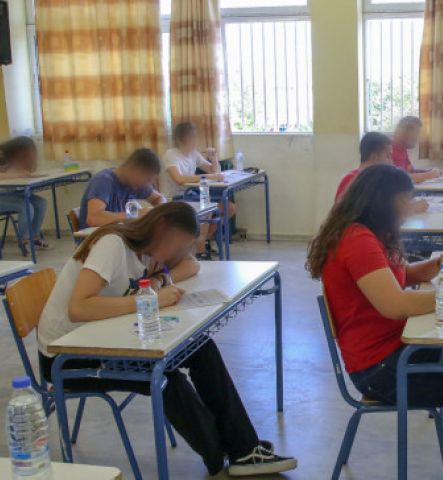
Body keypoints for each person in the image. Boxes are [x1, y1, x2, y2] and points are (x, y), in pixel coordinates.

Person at [37, 202, 297, 477]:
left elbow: (192, 265)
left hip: (100, 339)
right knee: (163, 375)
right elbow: (78, 308)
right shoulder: (113, 244)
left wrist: (160, 279)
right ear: (162, 229)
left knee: (202, 348)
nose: (180, 254)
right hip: (66, 356)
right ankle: (218, 453)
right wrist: (148, 301)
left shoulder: (147, 249)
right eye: (180, 245)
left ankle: (243, 449)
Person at [307, 164, 443, 480]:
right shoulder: (357, 241)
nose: (410, 207)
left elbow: (394, 276)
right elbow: (395, 304)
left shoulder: (363, 233)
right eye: (405, 200)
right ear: (384, 201)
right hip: (382, 370)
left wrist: (437, 265)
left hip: (399, 351)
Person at [161, 122, 235, 258]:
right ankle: (200, 252)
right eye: (192, 137)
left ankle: (202, 243)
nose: (195, 141)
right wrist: (208, 177)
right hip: (175, 199)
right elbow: (179, 179)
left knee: (228, 208)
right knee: (206, 209)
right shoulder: (170, 155)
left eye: (195, 137)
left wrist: (214, 158)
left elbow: (214, 172)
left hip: (191, 195)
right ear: (181, 139)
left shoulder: (193, 154)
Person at [336, 132, 429, 214]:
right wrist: (411, 207)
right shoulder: (352, 180)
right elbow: (371, 215)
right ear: (374, 157)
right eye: (388, 156)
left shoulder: (377, 179)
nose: (392, 162)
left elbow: (387, 206)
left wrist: (406, 204)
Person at [78, 148, 166, 229]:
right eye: (148, 179)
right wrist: (135, 214)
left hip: (117, 234)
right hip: (96, 238)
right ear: (135, 169)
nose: (148, 184)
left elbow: (158, 198)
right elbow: (93, 219)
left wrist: (157, 213)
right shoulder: (103, 181)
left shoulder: (134, 184)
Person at [0, 136, 48, 251]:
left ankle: (34, 236)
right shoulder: (2, 154)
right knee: (26, 206)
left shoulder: (12, 158)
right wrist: (16, 174)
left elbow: (15, 173)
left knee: (41, 202)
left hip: (10, 194)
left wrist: (25, 174)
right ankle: (24, 240)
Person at [391, 116, 443, 184]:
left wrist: (429, 171)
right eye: (417, 132)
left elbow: (410, 170)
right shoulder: (391, 149)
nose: (418, 137)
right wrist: (429, 175)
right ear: (405, 132)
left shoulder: (402, 148)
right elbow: (399, 178)